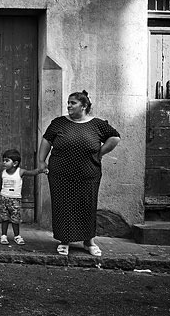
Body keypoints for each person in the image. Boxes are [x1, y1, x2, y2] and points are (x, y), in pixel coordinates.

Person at [37, 90, 120, 257]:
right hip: (61, 173)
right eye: (68, 102)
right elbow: (47, 140)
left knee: (87, 206)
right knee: (63, 206)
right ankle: (64, 240)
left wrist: (100, 153)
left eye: (72, 103)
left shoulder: (97, 124)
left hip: (88, 173)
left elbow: (115, 137)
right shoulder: (59, 123)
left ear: (84, 106)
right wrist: (41, 160)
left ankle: (89, 241)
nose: (68, 106)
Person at [0, 149, 47, 247]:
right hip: (3, 199)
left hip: (15, 200)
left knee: (15, 219)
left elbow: (32, 172)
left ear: (15, 163)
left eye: (7, 160)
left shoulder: (20, 172)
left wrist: (42, 170)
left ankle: (17, 236)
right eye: (3, 160)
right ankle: (3, 235)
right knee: (4, 218)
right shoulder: (2, 173)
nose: (4, 162)